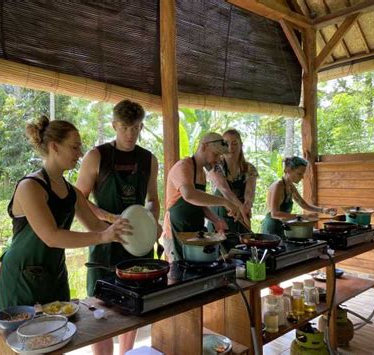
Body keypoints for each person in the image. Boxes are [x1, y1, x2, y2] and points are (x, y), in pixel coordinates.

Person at [0, 116, 131, 349]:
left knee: (56, 339)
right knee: (21, 345)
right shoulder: (30, 187)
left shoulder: (71, 191)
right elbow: (51, 236)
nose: (80, 153)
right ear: (54, 147)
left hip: (54, 273)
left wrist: (130, 229)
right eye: (74, 147)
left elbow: (96, 226)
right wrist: (103, 237)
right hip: (21, 277)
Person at [76, 99, 160, 355]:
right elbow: (78, 198)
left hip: (138, 244)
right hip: (105, 243)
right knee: (100, 310)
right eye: (124, 127)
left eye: (135, 127)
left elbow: (153, 199)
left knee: (134, 306)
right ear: (114, 125)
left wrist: (153, 223)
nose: (130, 133)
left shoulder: (148, 159)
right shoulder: (97, 156)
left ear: (141, 127)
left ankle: (127, 353)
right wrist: (105, 217)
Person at [163, 132, 241, 262]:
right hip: (175, 233)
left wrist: (216, 220)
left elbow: (199, 204)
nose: (217, 160)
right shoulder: (184, 166)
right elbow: (190, 195)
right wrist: (224, 201)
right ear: (204, 146)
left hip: (194, 233)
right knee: (180, 274)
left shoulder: (201, 173)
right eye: (215, 154)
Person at [207, 129, 258, 251]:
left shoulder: (249, 168)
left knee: (243, 251)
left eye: (235, 143)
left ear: (241, 145)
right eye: (226, 143)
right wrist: (242, 210)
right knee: (222, 254)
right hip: (220, 215)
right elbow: (226, 191)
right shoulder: (215, 167)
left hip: (241, 213)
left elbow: (249, 193)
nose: (231, 147)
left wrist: (247, 206)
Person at [261, 156, 337, 238]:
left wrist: (323, 210)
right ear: (288, 170)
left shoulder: (290, 186)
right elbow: (274, 214)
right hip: (272, 227)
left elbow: (303, 204)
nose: (302, 177)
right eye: (299, 173)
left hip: (282, 225)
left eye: (303, 174)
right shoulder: (278, 186)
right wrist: (302, 216)